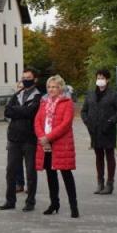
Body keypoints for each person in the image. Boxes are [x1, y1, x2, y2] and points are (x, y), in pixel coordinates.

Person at [34, 75, 79, 218]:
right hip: (45, 144)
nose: (51, 89)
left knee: (66, 174)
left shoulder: (67, 103)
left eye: (54, 87)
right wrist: (42, 137)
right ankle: (54, 203)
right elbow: (37, 121)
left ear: (60, 88)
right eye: (49, 87)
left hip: (61, 144)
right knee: (50, 175)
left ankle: (74, 206)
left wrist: (48, 137)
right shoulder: (44, 102)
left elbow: (65, 124)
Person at [0, 68, 42, 211]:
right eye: (23, 77)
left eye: (28, 77)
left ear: (34, 79)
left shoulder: (38, 96)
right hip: (14, 139)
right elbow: (7, 111)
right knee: (10, 170)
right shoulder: (17, 94)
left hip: (30, 139)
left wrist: (17, 110)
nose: (25, 79)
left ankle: (30, 202)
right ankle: (10, 201)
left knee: (30, 172)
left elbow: (31, 112)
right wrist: (22, 110)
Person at [81, 68, 117, 195]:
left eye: (102, 78)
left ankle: (110, 183)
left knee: (109, 155)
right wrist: (87, 121)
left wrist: (111, 121)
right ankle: (100, 182)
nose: (100, 80)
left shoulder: (113, 95)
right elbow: (84, 111)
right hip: (94, 130)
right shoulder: (91, 94)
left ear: (107, 79)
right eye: (98, 78)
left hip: (108, 130)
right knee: (98, 156)